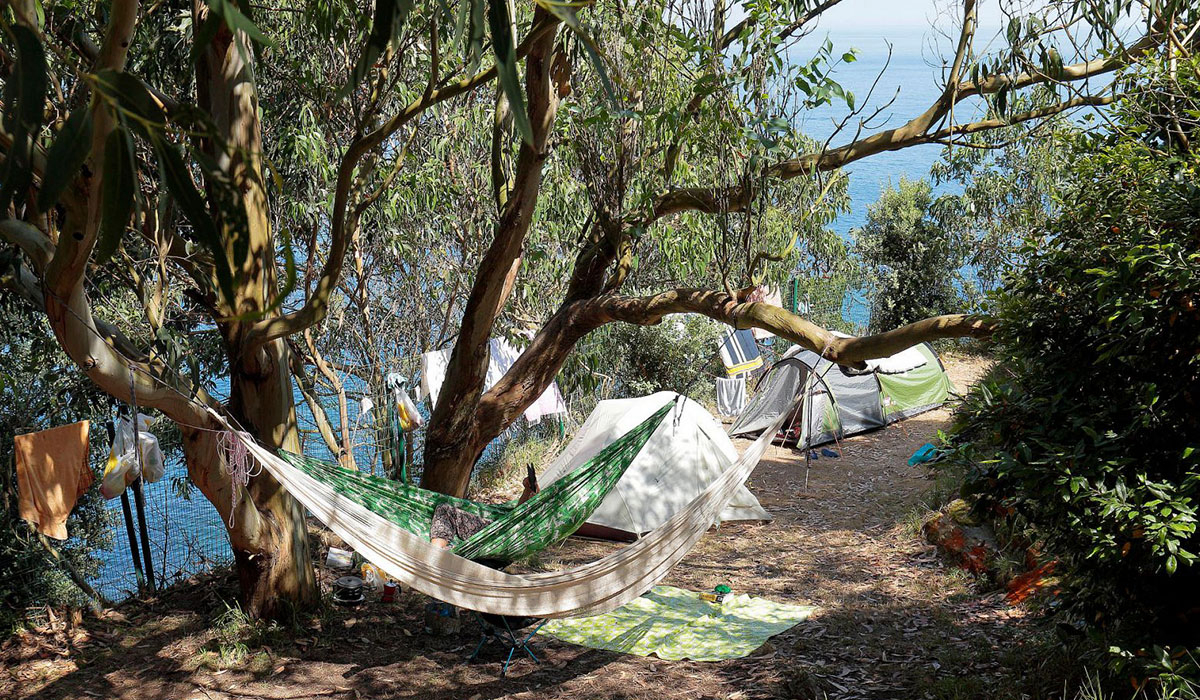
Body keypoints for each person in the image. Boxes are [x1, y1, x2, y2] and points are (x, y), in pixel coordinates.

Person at [430, 465, 539, 549]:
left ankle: (436, 551)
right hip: (499, 530)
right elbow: (517, 515)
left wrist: (533, 494)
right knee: (445, 509)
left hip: (497, 533)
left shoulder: (538, 515)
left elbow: (519, 519)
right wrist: (527, 489)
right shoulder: (535, 514)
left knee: (444, 509)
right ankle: (438, 551)